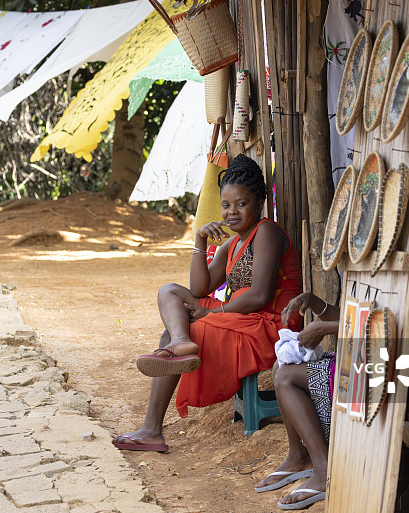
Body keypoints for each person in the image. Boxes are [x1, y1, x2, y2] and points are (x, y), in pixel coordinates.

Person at [113, 154, 303, 452]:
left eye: (241, 203)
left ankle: (152, 427)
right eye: (226, 205)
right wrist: (199, 241)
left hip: (272, 322)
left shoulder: (267, 231)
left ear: (259, 203)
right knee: (170, 292)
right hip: (244, 316)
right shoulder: (233, 242)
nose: (232, 212)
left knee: (186, 327)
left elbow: (261, 296)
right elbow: (199, 288)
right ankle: (179, 341)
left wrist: (209, 313)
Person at [254, 291, 339, 510]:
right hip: (352, 361)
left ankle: (323, 469)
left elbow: (379, 324)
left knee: (286, 377)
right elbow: (354, 316)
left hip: (374, 372)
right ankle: (299, 456)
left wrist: (326, 328)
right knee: (279, 367)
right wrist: (315, 302)